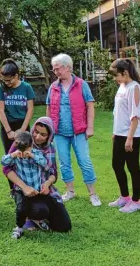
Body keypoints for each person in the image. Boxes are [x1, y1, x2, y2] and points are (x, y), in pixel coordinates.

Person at [46, 53, 101, 206]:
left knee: (85, 161)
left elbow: (90, 104)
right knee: (64, 162)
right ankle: (70, 191)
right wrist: (48, 129)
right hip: (59, 133)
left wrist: (90, 127)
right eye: (54, 69)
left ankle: (93, 193)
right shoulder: (53, 87)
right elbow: (49, 108)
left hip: (79, 132)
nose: (55, 72)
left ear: (68, 67)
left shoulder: (81, 84)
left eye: (58, 69)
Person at [3, 117, 72, 233]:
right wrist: (24, 187)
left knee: (64, 226)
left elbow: (53, 172)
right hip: (25, 190)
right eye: (36, 132)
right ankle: (32, 218)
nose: (38, 137)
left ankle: (42, 218)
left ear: (49, 136)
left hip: (44, 190)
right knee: (40, 210)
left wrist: (47, 183)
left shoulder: (50, 148)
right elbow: (6, 168)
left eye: (43, 135)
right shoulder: (22, 142)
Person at [0, 58, 35, 195]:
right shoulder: (1, 88)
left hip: (23, 125)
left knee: (26, 155)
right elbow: (0, 110)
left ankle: (27, 185)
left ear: (16, 75)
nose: (7, 83)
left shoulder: (26, 87)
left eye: (9, 80)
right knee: (10, 157)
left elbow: (30, 110)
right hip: (8, 126)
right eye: (4, 80)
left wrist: (22, 130)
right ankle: (13, 188)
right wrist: (9, 131)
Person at [109, 59, 140, 213]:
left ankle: (136, 201)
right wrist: (115, 132)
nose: (115, 79)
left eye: (116, 75)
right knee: (116, 165)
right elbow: (119, 112)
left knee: (132, 167)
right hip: (120, 133)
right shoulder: (122, 86)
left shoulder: (135, 88)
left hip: (132, 134)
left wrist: (129, 138)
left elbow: (135, 116)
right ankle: (125, 197)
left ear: (125, 72)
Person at [1, 131, 49, 239]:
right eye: (21, 150)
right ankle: (19, 228)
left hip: (36, 190)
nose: (23, 153)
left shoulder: (36, 153)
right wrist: (13, 154)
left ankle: (38, 219)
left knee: (42, 209)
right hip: (21, 190)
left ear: (31, 145)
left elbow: (44, 163)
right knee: (21, 209)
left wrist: (32, 155)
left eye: (26, 149)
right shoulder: (16, 156)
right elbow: (3, 162)